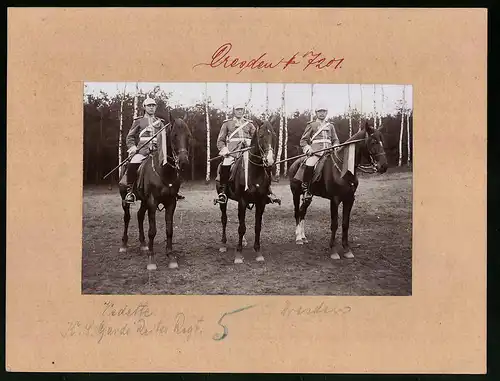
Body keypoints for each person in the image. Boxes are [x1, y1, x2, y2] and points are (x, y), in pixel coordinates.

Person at [215, 104, 280, 205]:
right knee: (226, 164)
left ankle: (267, 191)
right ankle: (223, 192)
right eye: (237, 109)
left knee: (264, 164)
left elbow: (257, 137)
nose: (239, 111)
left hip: (248, 150)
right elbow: (220, 140)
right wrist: (224, 150)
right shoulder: (227, 124)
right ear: (234, 111)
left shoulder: (249, 124)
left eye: (241, 109)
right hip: (233, 152)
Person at [124, 97, 184, 203]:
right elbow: (130, 137)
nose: (151, 108)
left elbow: (165, 139)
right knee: (132, 164)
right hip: (142, 151)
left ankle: (173, 190)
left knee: (172, 165)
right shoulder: (138, 121)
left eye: (153, 106)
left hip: (157, 152)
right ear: (144, 107)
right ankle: (130, 191)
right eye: (149, 106)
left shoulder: (160, 123)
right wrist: (133, 148)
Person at [299, 102, 340, 201]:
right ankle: (306, 189)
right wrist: (308, 149)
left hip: (330, 152)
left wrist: (335, 145)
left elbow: (335, 139)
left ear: (327, 113)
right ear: (316, 113)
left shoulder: (330, 126)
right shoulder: (311, 125)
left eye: (324, 111)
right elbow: (303, 140)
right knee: (310, 163)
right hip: (316, 152)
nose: (322, 113)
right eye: (320, 111)